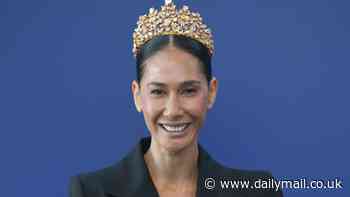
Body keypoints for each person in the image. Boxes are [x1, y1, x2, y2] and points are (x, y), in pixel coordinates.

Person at [69, 1, 283, 196]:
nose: (173, 110)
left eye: (188, 90)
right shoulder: (91, 191)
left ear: (211, 92)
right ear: (137, 95)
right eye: (158, 91)